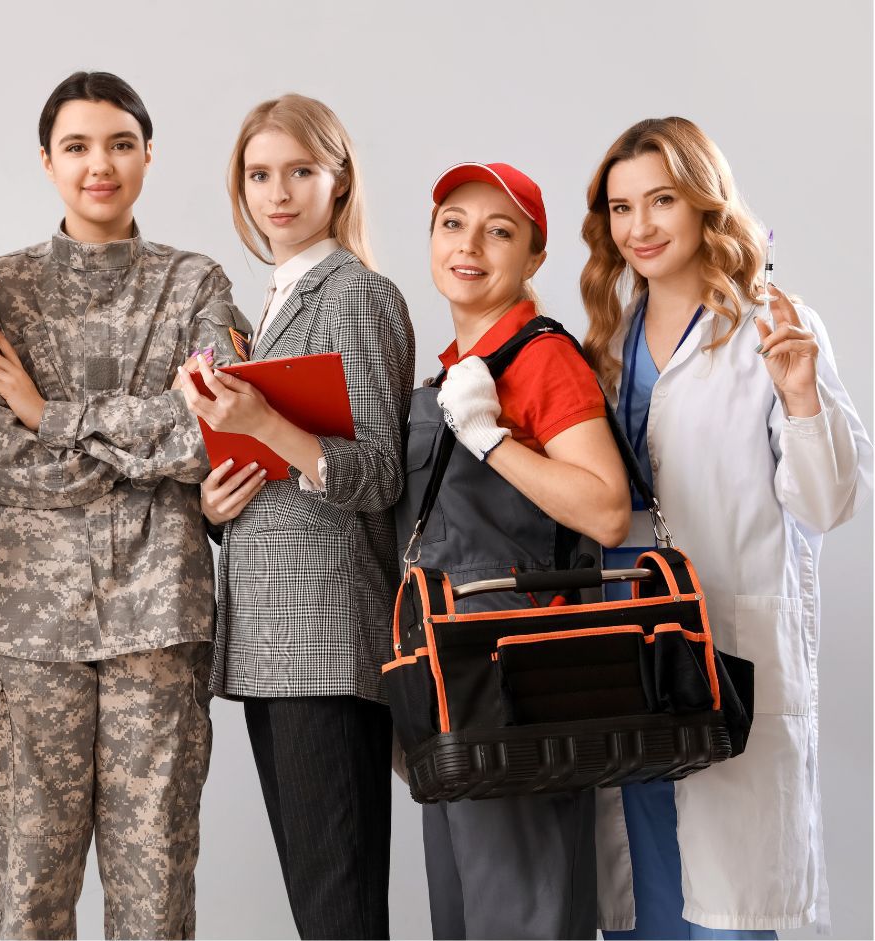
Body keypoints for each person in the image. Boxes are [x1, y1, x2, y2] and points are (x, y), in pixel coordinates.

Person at [0, 70, 250, 940]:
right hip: (26, 634)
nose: (101, 165)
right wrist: (151, 454)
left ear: (149, 156)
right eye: (78, 146)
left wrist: (52, 416)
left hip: (157, 626)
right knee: (26, 895)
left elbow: (216, 430)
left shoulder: (195, 283)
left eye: (121, 144)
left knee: (155, 896)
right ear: (46, 162)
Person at [579, 116, 872, 939]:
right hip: (627, 654)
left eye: (661, 200)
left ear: (706, 203)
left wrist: (804, 395)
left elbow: (827, 503)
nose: (639, 227)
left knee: (728, 911)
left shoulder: (770, 325)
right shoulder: (607, 341)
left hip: (723, 648)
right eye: (621, 207)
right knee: (645, 901)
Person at [179, 94, 413, 940]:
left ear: (338, 179)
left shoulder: (360, 295)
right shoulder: (269, 307)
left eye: (300, 172)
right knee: (322, 907)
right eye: (259, 174)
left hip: (326, 636)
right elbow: (281, 469)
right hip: (273, 639)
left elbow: (379, 474)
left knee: (339, 908)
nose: (277, 193)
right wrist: (216, 500)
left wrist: (265, 425)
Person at [394, 161, 632, 939]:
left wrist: (491, 438)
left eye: (501, 231)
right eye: (453, 223)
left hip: (524, 675)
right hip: (451, 678)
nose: (471, 244)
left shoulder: (540, 358)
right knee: (464, 915)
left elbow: (605, 511)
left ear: (534, 257)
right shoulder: (451, 372)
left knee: (523, 912)